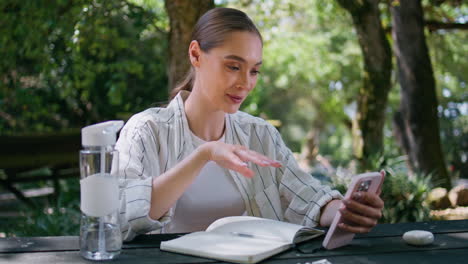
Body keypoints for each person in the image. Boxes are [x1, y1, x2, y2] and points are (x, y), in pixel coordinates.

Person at [115, 7, 384, 241]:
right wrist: (204, 154)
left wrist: (346, 212)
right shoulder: (146, 130)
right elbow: (124, 216)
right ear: (196, 55)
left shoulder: (260, 134)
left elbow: (306, 195)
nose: (246, 82)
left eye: (254, 70)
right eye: (233, 66)